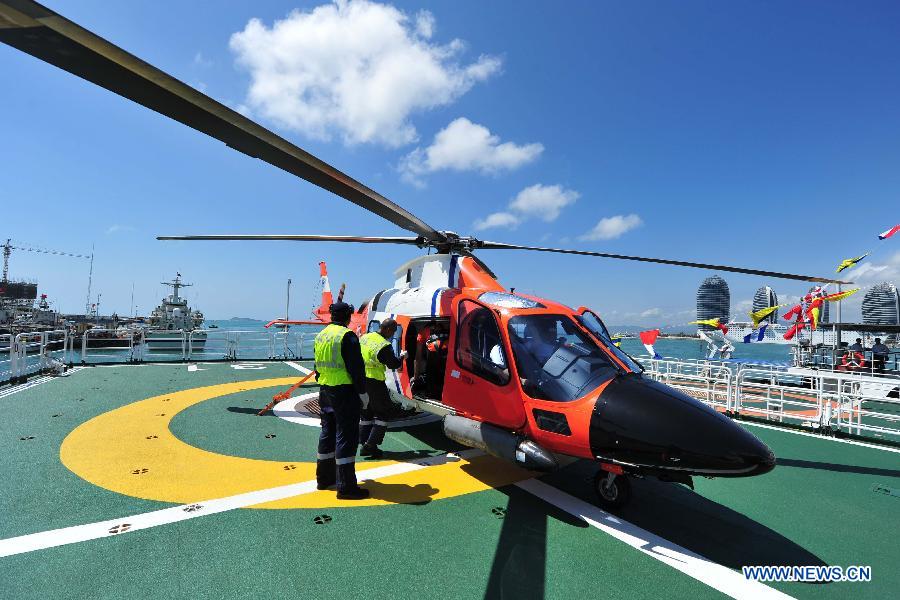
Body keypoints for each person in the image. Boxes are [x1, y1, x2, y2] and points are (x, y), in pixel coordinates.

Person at [313, 302, 370, 500]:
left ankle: (324, 478)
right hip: (344, 392)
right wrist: (363, 393)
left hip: (325, 390)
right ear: (348, 317)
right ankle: (346, 487)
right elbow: (357, 368)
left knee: (327, 433)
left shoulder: (321, 335)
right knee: (346, 435)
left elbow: (317, 365)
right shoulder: (347, 336)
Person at [358, 318, 407, 458]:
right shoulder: (383, 345)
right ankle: (371, 445)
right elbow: (393, 364)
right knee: (383, 413)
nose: (392, 335)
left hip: (361, 380)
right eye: (392, 332)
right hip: (374, 382)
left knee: (366, 413)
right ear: (388, 329)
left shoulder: (365, 337)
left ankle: (363, 442)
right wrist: (402, 357)